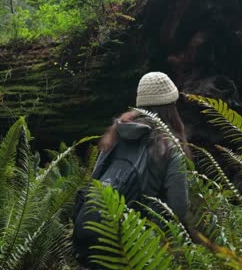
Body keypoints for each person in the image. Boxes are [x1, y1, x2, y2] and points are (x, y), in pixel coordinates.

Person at [72, 71, 190, 267]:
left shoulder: (116, 135)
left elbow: (95, 181)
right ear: (172, 107)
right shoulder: (169, 147)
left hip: (91, 234)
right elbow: (179, 206)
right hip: (135, 246)